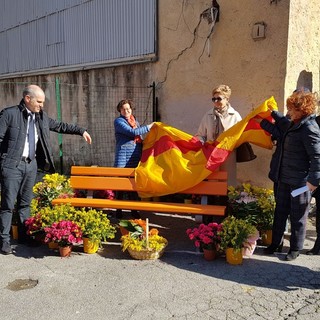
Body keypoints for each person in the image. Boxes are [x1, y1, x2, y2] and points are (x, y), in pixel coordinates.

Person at [0, 84, 92, 255]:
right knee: (7, 204)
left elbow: (60, 126)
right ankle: (4, 239)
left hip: (31, 165)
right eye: (39, 102)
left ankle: (24, 236)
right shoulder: (9, 114)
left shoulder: (41, 117)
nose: (42, 105)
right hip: (12, 165)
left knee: (25, 203)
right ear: (28, 99)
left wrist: (81, 131)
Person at [263, 89, 320, 261]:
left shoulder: (309, 128)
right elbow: (281, 122)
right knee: (280, 211)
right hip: (284, 178)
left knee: (298, 216)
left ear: (301, 109)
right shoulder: (295, 123)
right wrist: (270, 112)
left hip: (300, 184)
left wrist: (313, 183)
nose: (288, 112)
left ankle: (295, 248)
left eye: (291, 109)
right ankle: (275, 243)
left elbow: (317, 157)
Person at [113, 99, 153, 218]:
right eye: (124, 109)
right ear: (120, 110)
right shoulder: (118, 121)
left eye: (128, 108)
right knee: (120, 185)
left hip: (135, 155)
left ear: (131, 109)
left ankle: (134, 211)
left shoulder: (136, 121)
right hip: (123, 156)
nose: (127, 111)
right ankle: (118, 211)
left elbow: (139, 137)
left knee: (133, 185)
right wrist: (149, 127)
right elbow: (132, 133)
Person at [196, 84, 242, 186]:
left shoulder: (235, 116)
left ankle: (228, 200)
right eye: (214, 99)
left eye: (219, 99)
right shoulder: (208, 115)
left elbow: (241, 136)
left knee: (228, 182)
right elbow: (200, 135)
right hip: (212, 153)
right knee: (213, 181)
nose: (216, 101)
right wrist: (201, 144)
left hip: (228, 154)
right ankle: (213, 200)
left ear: (227, 99)